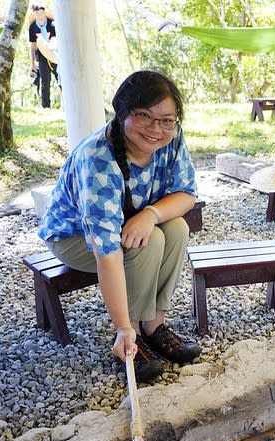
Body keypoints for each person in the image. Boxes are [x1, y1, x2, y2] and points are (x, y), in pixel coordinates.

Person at [37, 70, 202, 382]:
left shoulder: (172, 136)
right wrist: (123, 327)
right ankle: (133, 338)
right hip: (73, 238)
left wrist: (151, 213)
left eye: (167, 119)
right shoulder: (97, 158)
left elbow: (186, 195)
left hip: (133, 221)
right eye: (144, 116)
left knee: (176, 227)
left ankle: (154, 326)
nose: (157, 129)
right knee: (149, 240)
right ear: (122, 112)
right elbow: (106, 253)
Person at [28, 3, 59, 108]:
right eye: (37, 14)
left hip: (55, 55)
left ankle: (69, 103)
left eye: (41, 13)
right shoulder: (32, 28)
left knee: (61, 78)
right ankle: (46, 106)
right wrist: (32, 64)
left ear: (44, 12)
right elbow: (33, 46)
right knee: (45, 81)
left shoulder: (53, 24)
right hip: (42, 56)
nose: (40, 16)